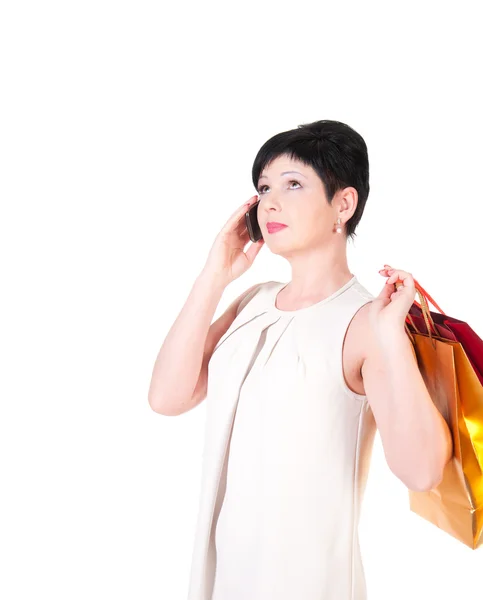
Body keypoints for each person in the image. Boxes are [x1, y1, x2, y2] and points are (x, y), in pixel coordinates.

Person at [148, 119, 420, 600]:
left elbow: (421, 472)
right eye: (263, 187)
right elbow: (168, 397)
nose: (270, 201)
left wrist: (393, 340)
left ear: (344, 203)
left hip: (309, 581)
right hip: (226, 577)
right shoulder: (254, 301)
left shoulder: (366, 323)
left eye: (293, 184)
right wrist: (215, 274)